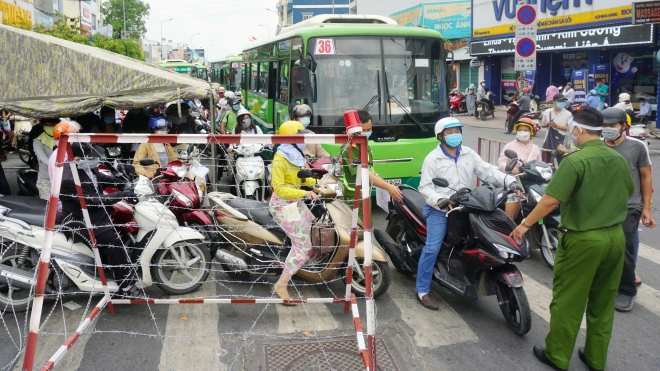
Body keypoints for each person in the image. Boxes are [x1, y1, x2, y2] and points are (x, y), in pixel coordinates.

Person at [510, 107, 632, 371]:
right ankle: (596, 358)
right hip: (615, 238)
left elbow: (551, 200)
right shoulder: (618, 159)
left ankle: (557, 355)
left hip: (583, 240)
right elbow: (627, 193)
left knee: (568, 301)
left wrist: (524, 224)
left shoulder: (575, 161)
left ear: (576, 129)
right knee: (603, 301)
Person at [416, 117, 517, 310]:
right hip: (440, 209)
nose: (455, 135)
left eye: (457, 131)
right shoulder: (433, 158)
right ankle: (422, 290)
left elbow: (488, 171)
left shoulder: (469, 154)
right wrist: (440, 201)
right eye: (450, 132)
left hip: (465, 205)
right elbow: (426, 187)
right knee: (432, 247)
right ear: (440, 136)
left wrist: (509, 181)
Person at [60, 142, 145, 298]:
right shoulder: (68, 179)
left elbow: (101, 178)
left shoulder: (86, 166)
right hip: (82, 218)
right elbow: (91, 201)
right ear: (78, 158)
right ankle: (125, 286)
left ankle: (111, 268)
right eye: (91, 157)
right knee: (114, 242)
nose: (95, 160)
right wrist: (121, 195)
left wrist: (125, 184)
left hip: (96, 213)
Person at [601, 107, 656, 312]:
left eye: (612, 126)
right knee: (601, 247)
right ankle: (607, 284)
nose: (608, 129)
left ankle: (627, 290)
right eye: (604, 126)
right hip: (601, 206)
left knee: (625, 249)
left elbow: (645, 177)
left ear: (623, 126)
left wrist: (647, 209)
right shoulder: (595, 146)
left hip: (629, 205)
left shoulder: (637, 146)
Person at [269, 121, 325, 304]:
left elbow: (302, 176)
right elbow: (279, 189)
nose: (304, 140)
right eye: (300, 136)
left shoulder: (295, 154)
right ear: (292, 139)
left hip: (296, 202)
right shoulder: (280, 158)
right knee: (304, 244)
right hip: (284, 206)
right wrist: (305, 192)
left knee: (314, 229)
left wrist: (319, 185)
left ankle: (303, 267)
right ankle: (281, 284)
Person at [338, 110, 403, 219]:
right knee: (359, 230)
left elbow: (370, 169)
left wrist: (386, 184)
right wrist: (388, 187)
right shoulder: (350, 148)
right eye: (363, 130)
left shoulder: (364, 144)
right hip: (355, 197)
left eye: (369, 129)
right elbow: (363, 174)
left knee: (366, 228)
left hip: (365, 194)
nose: (367, 133)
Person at [498, 118, 541, 219]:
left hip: (531, 183)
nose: (522, 132)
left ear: (531, 132)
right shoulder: (510, 146)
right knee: (510, 216)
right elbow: (501, 162)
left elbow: (539, 165)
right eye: (520, 130)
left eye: (525, 130)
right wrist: (510, 169)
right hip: (515, 183)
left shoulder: (535, 148)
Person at [541, 94, 572, 164]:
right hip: (549, 140)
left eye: (563, 101)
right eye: (560, 101)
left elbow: (570, 129)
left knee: (562, 164)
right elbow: (542, 124)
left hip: (562, 141)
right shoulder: (547, 112)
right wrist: (545, 125)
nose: (562, 103)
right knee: (546, 164)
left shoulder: (568, 114)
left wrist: (556, 126)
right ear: (554, 102)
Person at [33, 118, 58, 200]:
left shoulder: (63, 138)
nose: (52, 126)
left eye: (54, 124)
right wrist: (56, 165)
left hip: (63, 178)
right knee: (48, 206)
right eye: (48, 125)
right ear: (43, 126)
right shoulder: (37, 141)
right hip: (46, 179)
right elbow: (41, 157)